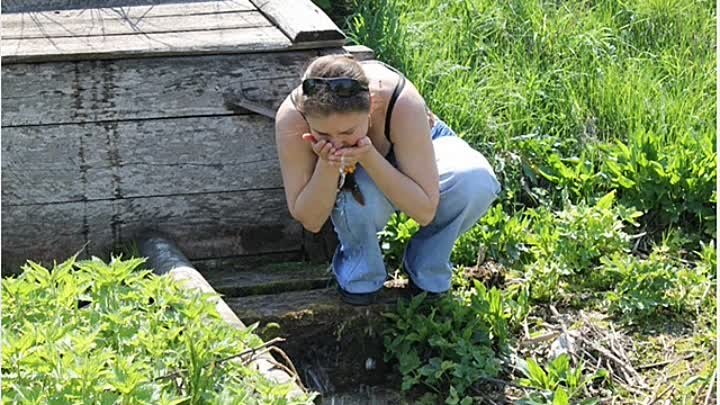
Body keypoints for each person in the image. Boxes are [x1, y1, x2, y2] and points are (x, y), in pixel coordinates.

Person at [274, 54, 501, 305]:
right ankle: (361, 272)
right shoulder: (291, 118)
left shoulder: (400, 100)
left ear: (371, 105)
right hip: (353, 171)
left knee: (474, 182)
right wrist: (328, 165)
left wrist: (369, 155)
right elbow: (310, 220)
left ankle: (428, 267)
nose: (337, 143)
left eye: (348, 131)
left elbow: (424, 211)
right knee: (357, 198)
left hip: (416, 143)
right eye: (323, 134)